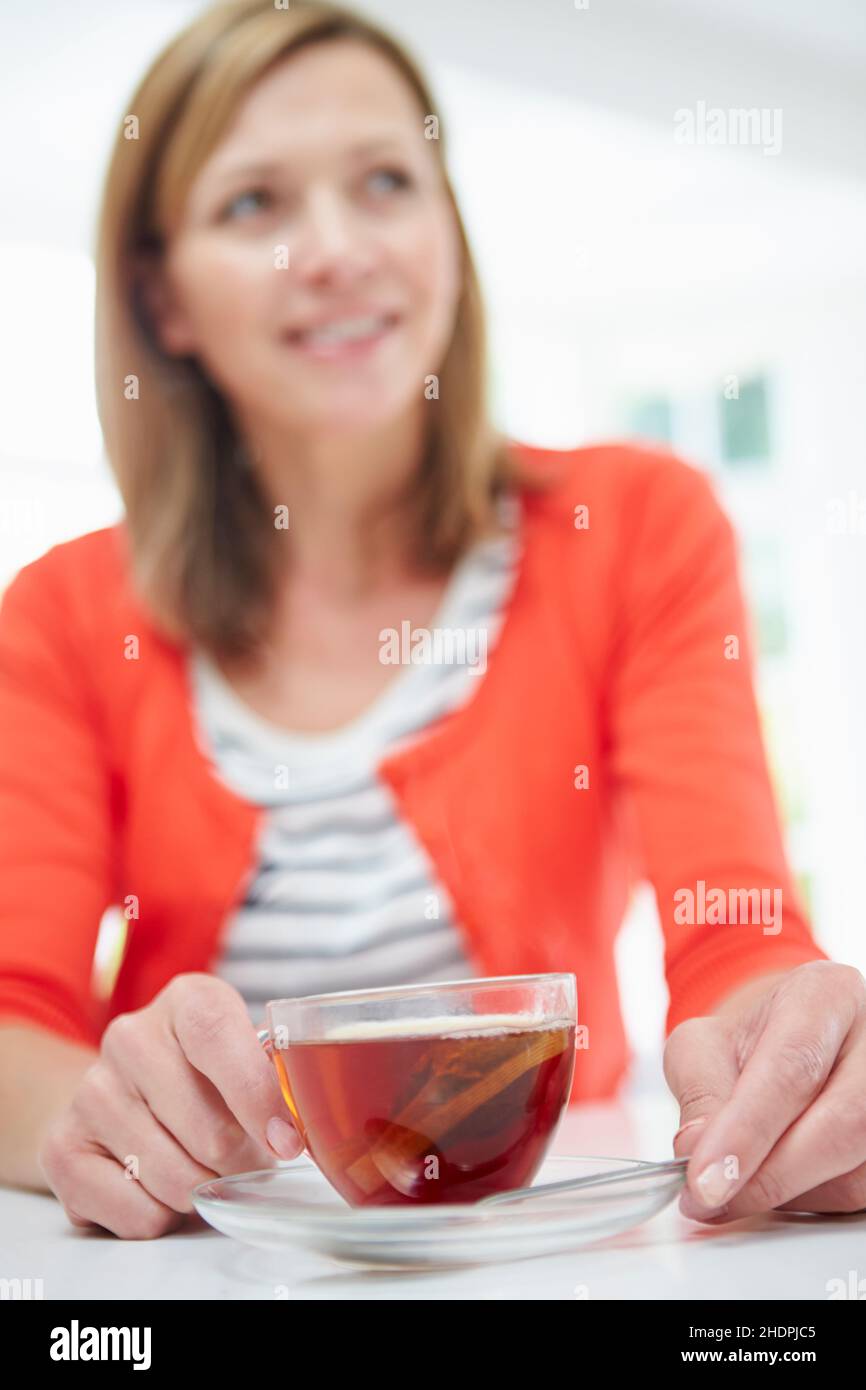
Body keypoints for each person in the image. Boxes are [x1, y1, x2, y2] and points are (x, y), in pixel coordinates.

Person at [0, 0, 863, 1240]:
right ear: (165, 302)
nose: (339, 247)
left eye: (386, 182)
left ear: (445, 236)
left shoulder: (634, 525)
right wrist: (88, 1115)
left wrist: (794, 1062)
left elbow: (735, 940)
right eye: (255, 205)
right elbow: (12, 1012)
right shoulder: (66, 612)